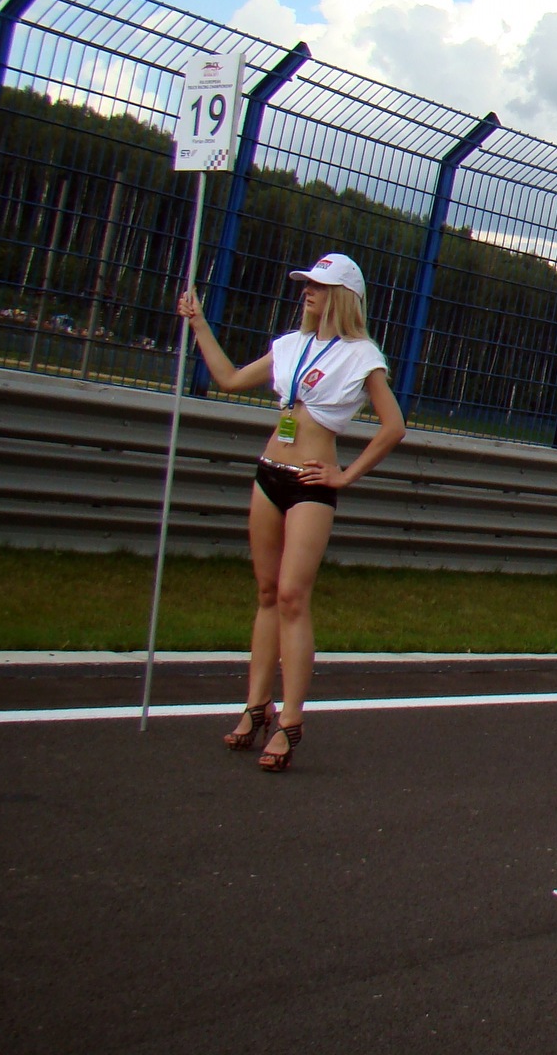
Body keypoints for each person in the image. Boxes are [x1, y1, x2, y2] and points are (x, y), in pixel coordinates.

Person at [178, 253, 404, 772]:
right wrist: (198, 322)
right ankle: (255, 706)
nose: (308, 291)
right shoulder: (289, 345)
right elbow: (230, 379)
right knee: (264, 593)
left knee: (291, 597)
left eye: (320, 286)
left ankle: (291, 721)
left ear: (343, 296)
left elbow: (393, 426)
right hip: (267, 472)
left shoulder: (361, 355)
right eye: (306, 284)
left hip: (310, 482)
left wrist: (345, 476)